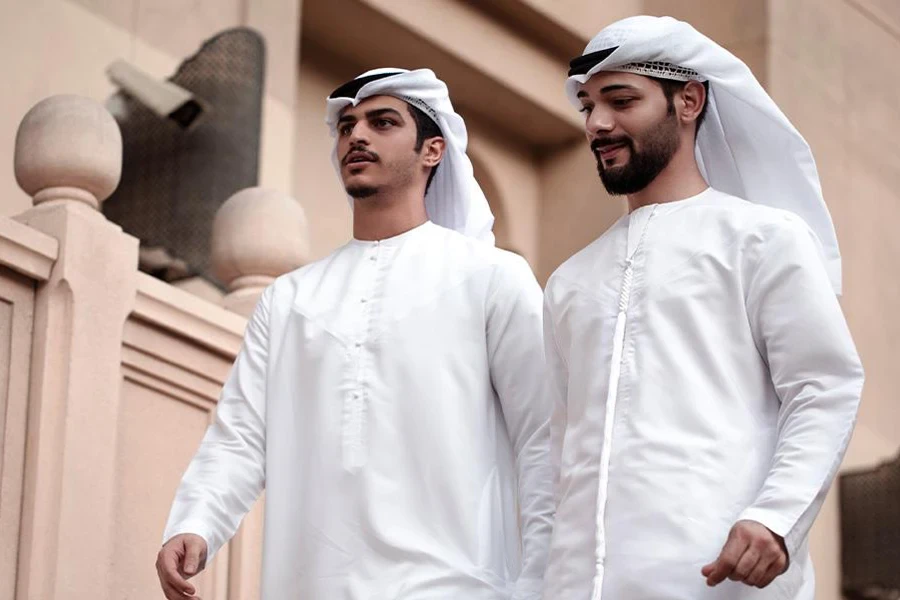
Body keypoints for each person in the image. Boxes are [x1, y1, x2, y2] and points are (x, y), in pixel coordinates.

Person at [156, 68, 553, 600]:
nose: (356, 136)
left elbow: (544, 438)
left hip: (457, 585)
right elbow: (242, 434)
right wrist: (196, 522)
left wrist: (542, 581)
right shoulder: (292, 297)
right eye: (346, 126)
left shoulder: (491, 277)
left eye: (381, 122)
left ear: (432, 150)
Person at [542, 16, 864, 600]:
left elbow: (823, 386)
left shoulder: (762, 238)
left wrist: (775, 515)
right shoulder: (568, 282)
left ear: (688, 101)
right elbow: (556, 449)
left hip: (719, 579)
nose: (598, 124)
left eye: (620, 100)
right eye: (588, 105)